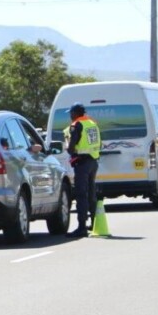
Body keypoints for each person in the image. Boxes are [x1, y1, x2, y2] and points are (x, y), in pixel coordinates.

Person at [64, 102, 101, 238]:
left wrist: (67, 144)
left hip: (82, 163)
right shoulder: (92, 123)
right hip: (93, 161)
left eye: (71, 113)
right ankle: (95, 223)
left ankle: (81, 227)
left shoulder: (76, 125)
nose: (70, 116)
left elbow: (71, 148)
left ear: (75, 113)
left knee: (81, 195)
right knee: (91, 193)